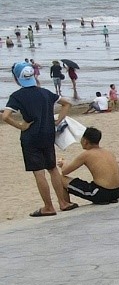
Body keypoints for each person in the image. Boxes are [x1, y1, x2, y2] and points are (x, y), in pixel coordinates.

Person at [4, 61, 75, 216]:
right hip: (48, 133)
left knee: (38, 172)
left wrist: (20, 126)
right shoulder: (45, 93)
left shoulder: (17, 96)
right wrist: (58, 121)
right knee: (52, 168)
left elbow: (6, 116)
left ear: (17, 78)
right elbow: (67, 103)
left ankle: (48, 207)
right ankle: (63, 202)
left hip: (31, 136)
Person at [61, 126, 119, 205]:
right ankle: (110, 198)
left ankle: (66, 204)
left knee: (60, 179)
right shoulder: (108, 152)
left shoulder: (86, 154)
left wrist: (64, 163)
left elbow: (65, 171)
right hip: (118, 191)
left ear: (85, 141)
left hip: (101, 192)